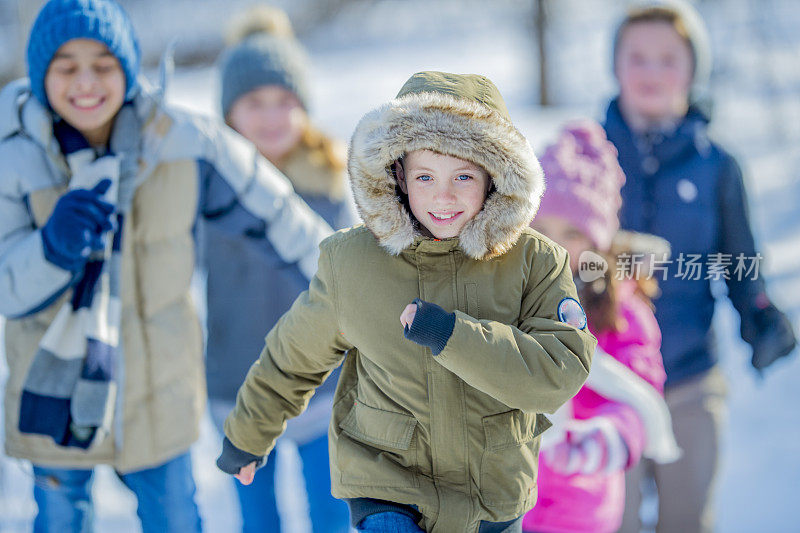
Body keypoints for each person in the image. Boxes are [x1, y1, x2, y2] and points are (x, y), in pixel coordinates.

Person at [215, 71, 597, 533]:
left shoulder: (535, 262)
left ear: (494, 178)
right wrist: (248, 434)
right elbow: (293, 358)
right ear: (397, 175)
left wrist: (452, 336)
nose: (443, 196)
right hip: (388, 485)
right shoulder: (353, 262)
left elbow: (558, 371)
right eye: (425, 176)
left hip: (492, 494)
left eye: (462, 175)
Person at [0, 0, 333, 531]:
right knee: (61, 519)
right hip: (55, 399)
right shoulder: (12, 156)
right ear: (41, 74)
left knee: (176, 518)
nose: (86, 82)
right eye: (66, 65)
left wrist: (363, 294)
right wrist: (51, 250)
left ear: (128, 69)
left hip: (160, 399)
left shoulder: (183, 143)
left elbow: (281, 219)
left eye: (103, 64)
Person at [602, 2, 797, 532]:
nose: (651, 71)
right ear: (615, 65)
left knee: (686, 520)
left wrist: (760, 315)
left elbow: (740, 262)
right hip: (601, 377)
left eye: (669, 58)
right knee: (605, 520)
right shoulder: (587, 155)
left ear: (693, 68)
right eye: (636, 57)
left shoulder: (716, 165)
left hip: (689, 376)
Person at [204, 6, 356, 532]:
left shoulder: (327, 184)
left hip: (321, 388)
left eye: (285, 102)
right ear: (228, 113)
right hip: (237, 388)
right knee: (258, 518)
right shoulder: (209, 191)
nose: (272, 116)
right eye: (254, 102)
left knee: (331, 512)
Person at [522, 121, 679, 533]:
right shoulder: (509, 293)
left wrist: (610, 436)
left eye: (571, 232)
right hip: (506, 495)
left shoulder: (618, 308)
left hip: (579, 499)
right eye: (540, 230)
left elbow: (640, 382)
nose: (553, 245)